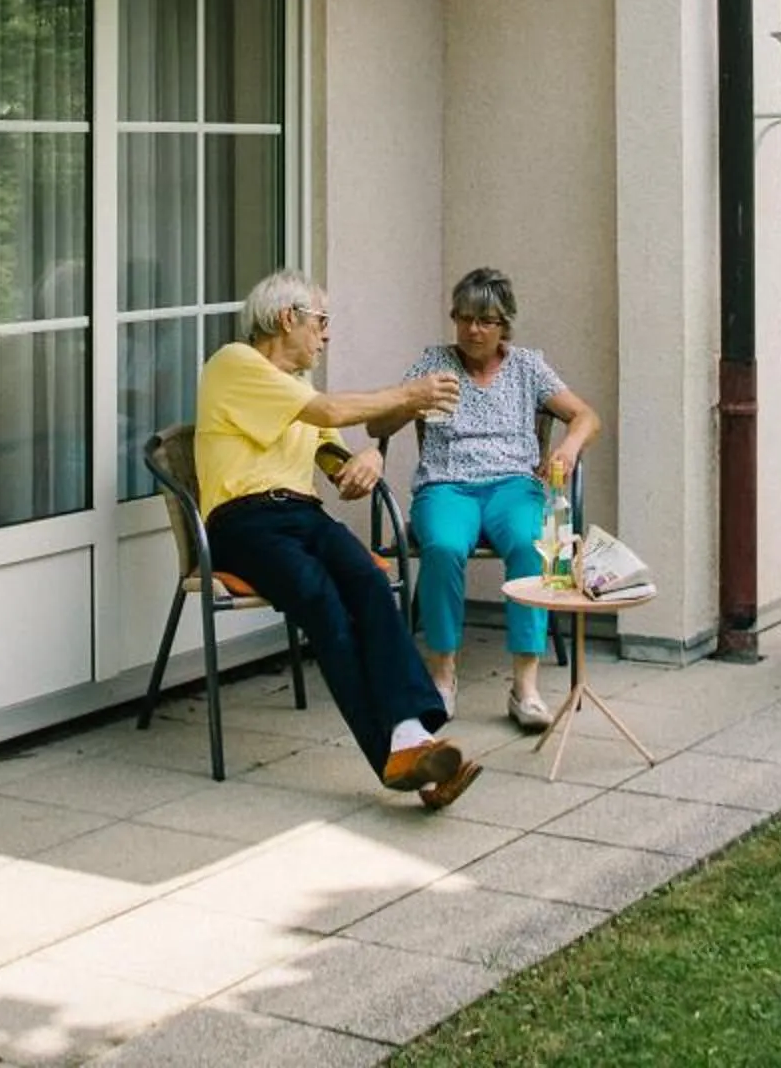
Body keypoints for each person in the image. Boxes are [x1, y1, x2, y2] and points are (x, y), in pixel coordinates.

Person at [194, 269, 484, 810]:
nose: (326, 335)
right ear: (288, 318)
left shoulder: (299, 390)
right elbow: (329, 412)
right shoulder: (234, 364)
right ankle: (401, 760)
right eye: (321, 322)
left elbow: (332, 458)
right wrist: (408, 393)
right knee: (324, 604)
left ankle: (411, 739)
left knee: (371, 585)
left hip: (302, 516)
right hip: (241, 522)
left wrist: (367, 461)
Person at [402, 266, 603, 731]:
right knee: (443, 547)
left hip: (514, 484)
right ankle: (442, 675)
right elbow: (380, 425)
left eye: (486, 320)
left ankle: (525, 687)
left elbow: (585, 416)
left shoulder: (529, 365)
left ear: (504, 324)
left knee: (534, 542)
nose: (473, 329)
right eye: (465, 317)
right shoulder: (433, 363)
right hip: (447, 484)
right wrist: (408, 400)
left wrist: (568, 447)